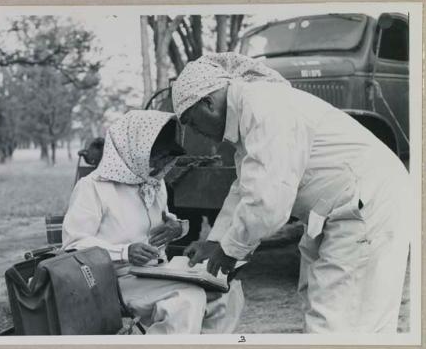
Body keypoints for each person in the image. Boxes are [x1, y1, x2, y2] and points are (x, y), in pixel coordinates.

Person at [172, 52, 411, 333]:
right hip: (341, 210)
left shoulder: (264, 107)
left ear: (207, 103)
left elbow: (268, 202)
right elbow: (246, 186)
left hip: (367, 206)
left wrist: (230, 251)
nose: (196, 133)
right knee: (329, 308)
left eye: (192, 122)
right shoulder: (251, 113)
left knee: (341, 318)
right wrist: (215, 240)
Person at [61, 110, 244, 334]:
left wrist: (177, 228)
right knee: (185, 299)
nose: (160, 165)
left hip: (158, 272)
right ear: (132, 150)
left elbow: (163, 224)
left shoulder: (154, 183)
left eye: (167, 157)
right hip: (116, 281)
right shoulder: (93, 187)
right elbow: (72, 246)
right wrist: (125, 252)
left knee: (227, 292)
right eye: (155, 157)